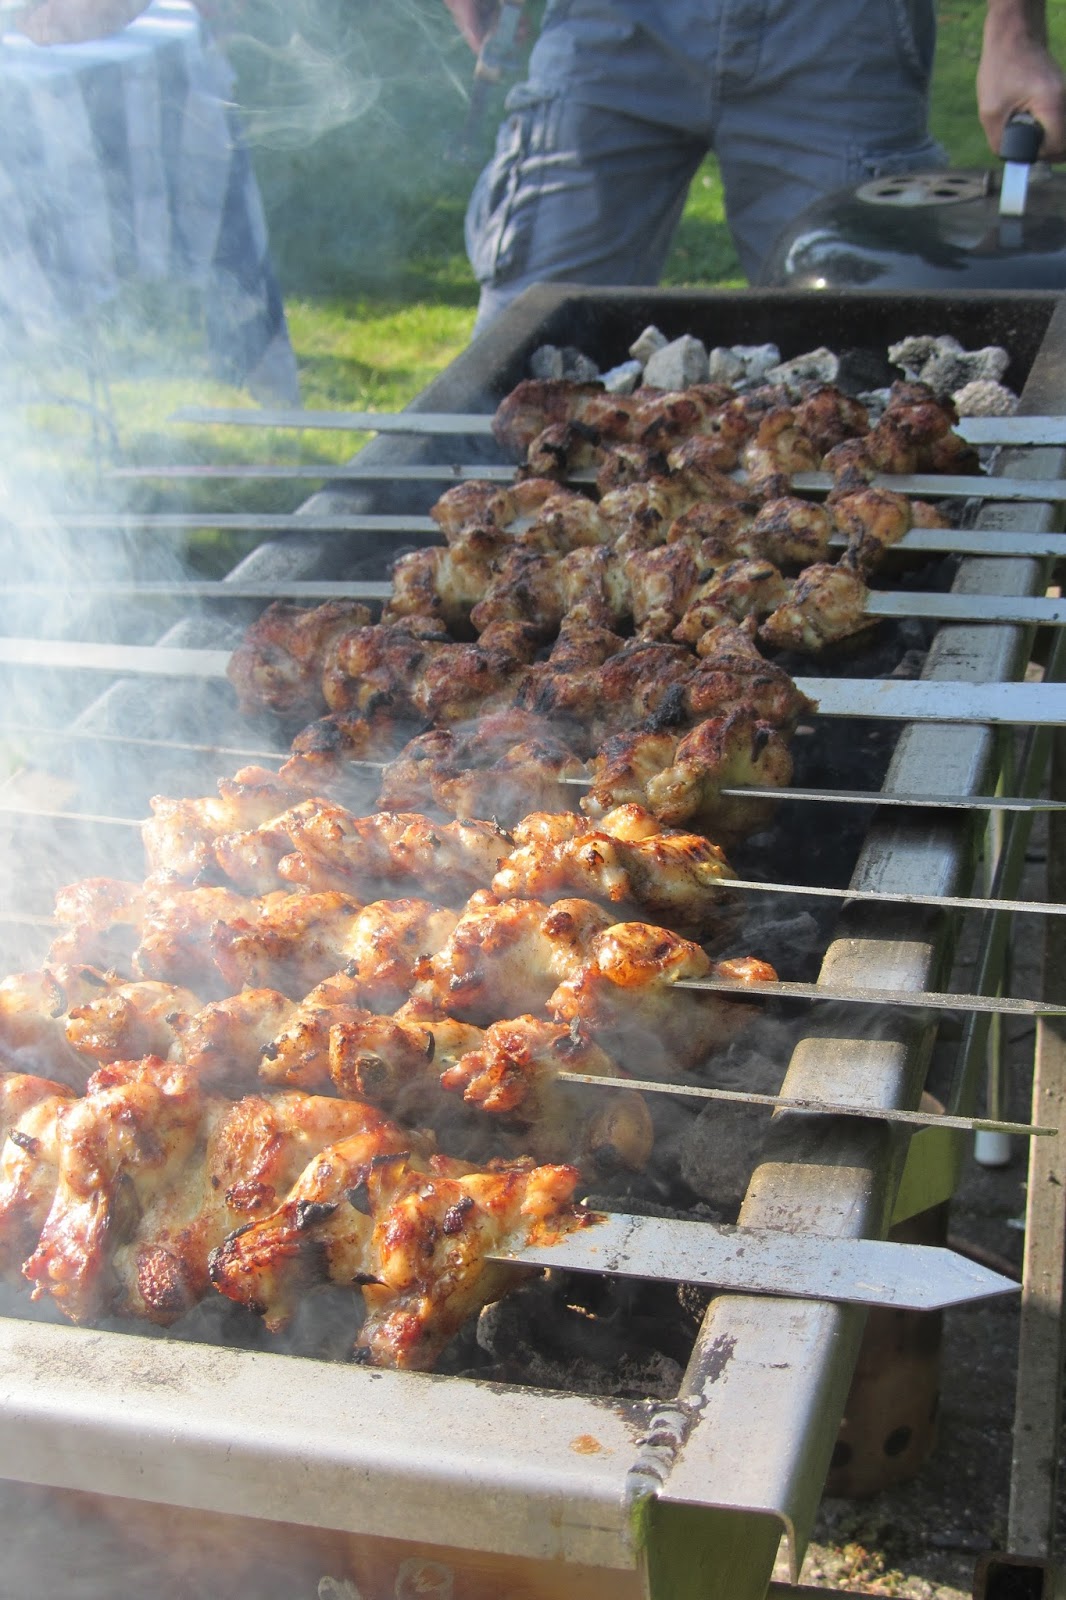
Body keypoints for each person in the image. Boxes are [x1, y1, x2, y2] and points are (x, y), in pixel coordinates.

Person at [445, 0, 1066, 331]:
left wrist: (1016, 28)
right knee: (522, 359)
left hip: (839, 29)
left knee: (867, 364)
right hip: (608, 20)